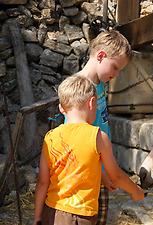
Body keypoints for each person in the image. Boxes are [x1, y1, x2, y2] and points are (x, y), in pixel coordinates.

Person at [33, 75, 144, 225]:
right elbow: (116, 176)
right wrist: (135, 191)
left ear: (61, 107)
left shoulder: (50, 137)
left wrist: (37, 217)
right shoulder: (98, 137)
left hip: (51, 212)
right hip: (80, 217)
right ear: (92, 103)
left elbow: (42, 182)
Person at [74, 30, 132, 225]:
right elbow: (78, 140)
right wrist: (102, 172)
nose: (115, 75)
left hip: (100, 166)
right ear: (100, 56)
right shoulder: (79, 89)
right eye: (115, 67)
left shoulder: (99, 84)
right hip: (87, 172)